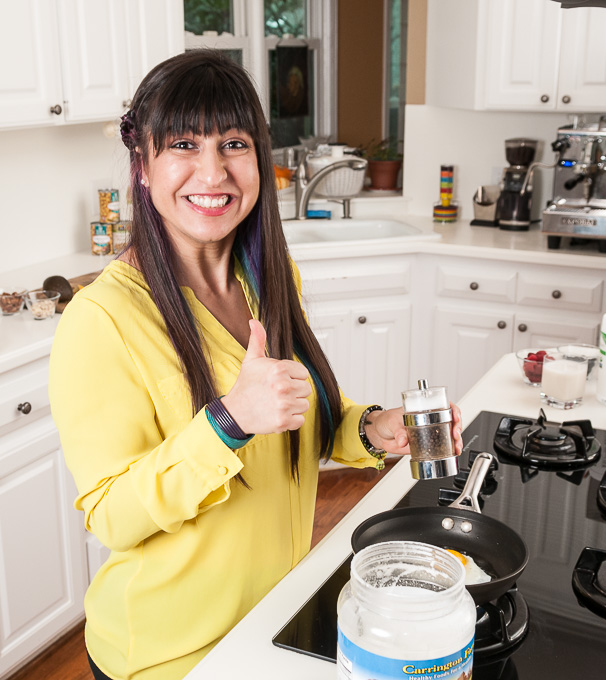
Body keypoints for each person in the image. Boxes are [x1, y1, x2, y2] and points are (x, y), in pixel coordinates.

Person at [49, 50, 464, 680]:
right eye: (183, 144)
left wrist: (370, 428)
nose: (212, 172)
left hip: (270, 618)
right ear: (142, 166)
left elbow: (296, 413)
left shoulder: (266, 276)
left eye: (234, 143)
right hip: (170, 655)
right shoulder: (101, 318)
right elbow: (112, 515)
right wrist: (227, 421)